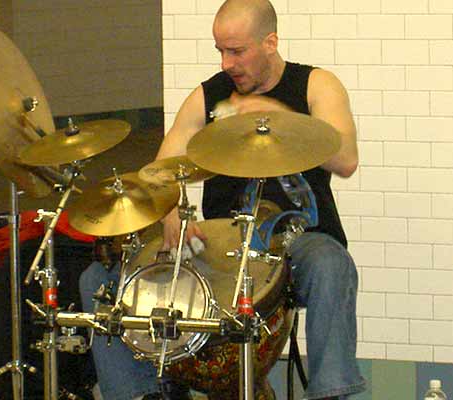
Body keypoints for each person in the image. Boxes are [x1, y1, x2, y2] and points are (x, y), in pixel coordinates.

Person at [79, 0, 366, 398]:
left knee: (332, 263)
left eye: (237, 51)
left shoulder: (316, 85)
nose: (227, 62)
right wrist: (169, 213)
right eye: (220, 51)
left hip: (297, 237)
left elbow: (347, 160)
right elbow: (161, 171)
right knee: (101, 279)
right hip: (220, 242)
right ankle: (142, 393)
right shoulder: (209, 96)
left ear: (270, 42)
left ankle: (331, 392)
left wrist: (275, 115)